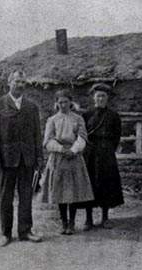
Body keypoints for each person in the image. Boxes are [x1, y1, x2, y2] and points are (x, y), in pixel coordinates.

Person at [0, 70, 43, 247]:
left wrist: (39, 157)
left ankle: (25, 231)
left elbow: (37, 134)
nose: (20, 85)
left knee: (26, 195)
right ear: (9, 82)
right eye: (17, 81)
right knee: (6, 197)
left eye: (23, 82)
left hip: (27, 158)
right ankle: (6, 233)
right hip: (7, 159)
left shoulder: (32, 107)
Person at [40, 90, 94, 235]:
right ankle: (64, 222)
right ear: (56, 103)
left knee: (73, 191)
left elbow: (82, 137)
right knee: (60, 191)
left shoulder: (78, 119)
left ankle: (72, 222)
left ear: (71, 102)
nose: (63, 105)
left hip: (74, 157)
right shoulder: (52, 120)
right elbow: (47, 140)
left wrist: (74, 150)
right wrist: (60, 149)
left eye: (65, 101)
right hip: (58, 157)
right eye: (60, 102)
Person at [82, 83, 124, 230]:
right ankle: (88, 219)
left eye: (103, 96)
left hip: (106, 154)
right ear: (93, 98)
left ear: (107, 99)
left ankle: (105, 218)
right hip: (90, 154)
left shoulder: (113, 116)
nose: (100, 99)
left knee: (106, 184)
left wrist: (108, 149)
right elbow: (82, 134)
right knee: (90, 184)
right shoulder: (86, 115)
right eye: (98, 96)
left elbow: (117, 136)